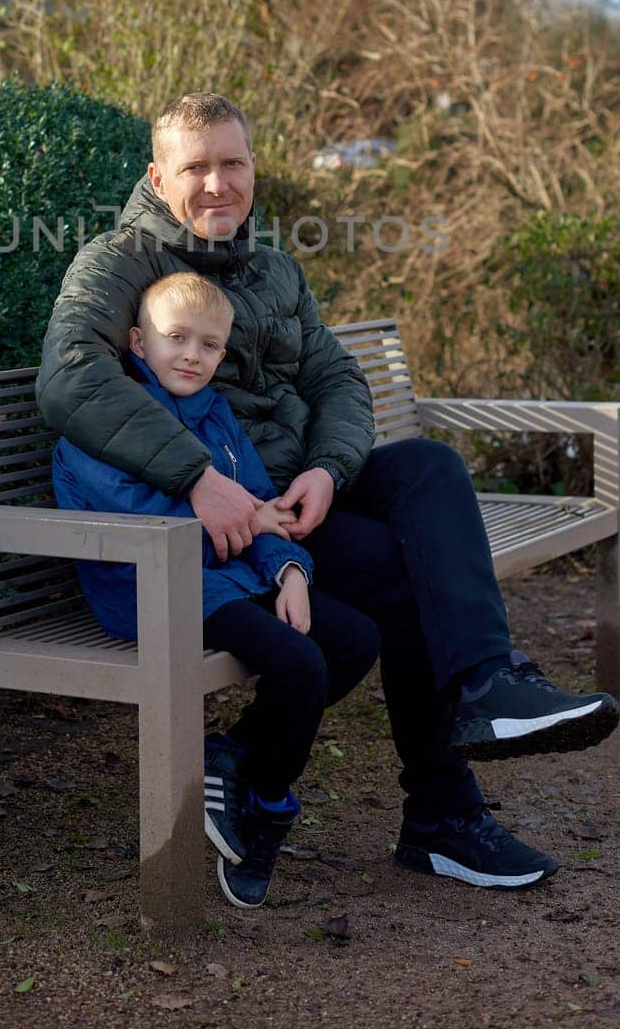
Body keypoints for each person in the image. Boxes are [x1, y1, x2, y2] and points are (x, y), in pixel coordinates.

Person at [37, 92, 620, 890]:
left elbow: (337, 377)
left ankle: (490, 684)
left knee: (430, 469)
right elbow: (70, 382)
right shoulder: (119, 263)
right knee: (405, 571)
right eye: (195, 167)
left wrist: (328, 471)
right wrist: (199, 478)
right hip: (214, 516)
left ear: (253, 168)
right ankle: (443, 818)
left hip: (295, 498)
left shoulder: (275, 268)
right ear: (157, 175)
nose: (217, 184)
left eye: (232, 163)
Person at [53, 271, 379, 909]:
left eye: (208, 345)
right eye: (176, 338)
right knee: (299, 664)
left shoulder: (217, 416)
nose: (191, 355)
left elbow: (259, 507)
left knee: (354, 640)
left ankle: (231, 758)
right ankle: (267, 806)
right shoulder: (102, 423)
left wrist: (289, 570)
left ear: (222, 355)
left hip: (228, 578)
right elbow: (146, 525)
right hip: (150, 589)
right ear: (138, 344)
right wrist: (246, 524)